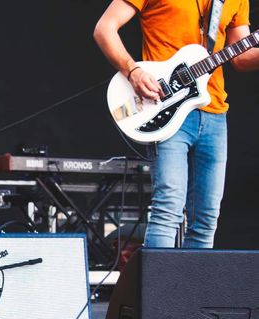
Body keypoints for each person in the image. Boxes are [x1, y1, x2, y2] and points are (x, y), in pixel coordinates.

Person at [93, 0, 259, 248]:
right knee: (168, 209)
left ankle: (192, 287)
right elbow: (104, 28)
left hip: (214, 112)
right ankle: (158, 287)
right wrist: (133, 71)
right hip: (165, 106)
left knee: (206, 220)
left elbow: (241, 57)